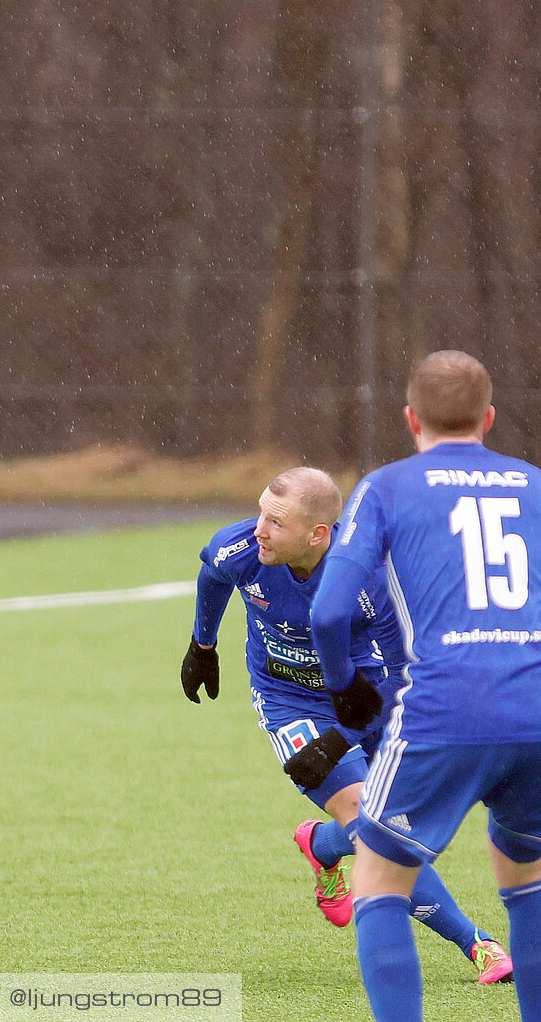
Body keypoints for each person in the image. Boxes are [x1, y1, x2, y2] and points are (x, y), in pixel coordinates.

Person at [183, 466, 510, 983]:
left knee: (400, 821)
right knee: (373, 824)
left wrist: (341, 738)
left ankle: (320, 845)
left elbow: (402, 679)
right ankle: (480, 946)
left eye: (276, 521)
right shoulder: (242, 548)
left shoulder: (369, 582)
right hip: (287, 701)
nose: (259, 529)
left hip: (368, 700)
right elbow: (212, 576)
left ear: (318, 535)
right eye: (261, 511)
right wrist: (203, 645)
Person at [311, 351, 541, 1021]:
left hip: (442, 711)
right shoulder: (532, 482)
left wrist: (343, 686)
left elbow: (329, 610)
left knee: (380, 879)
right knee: (526, 881)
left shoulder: (387, 487)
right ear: (489, 418)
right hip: (533, 710)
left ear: (410, 418)